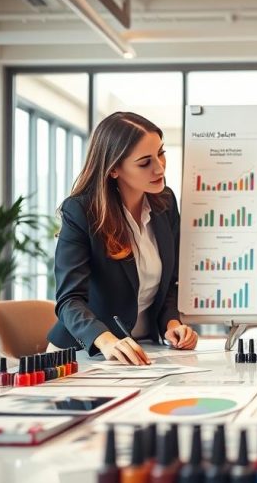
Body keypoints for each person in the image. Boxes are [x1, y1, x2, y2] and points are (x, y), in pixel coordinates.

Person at [47, 112, 198, 365]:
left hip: (143, 351)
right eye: (144, 162)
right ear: (114, 169)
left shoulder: (165, 203)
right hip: (82, 354)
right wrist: (106, 340)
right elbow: (69, 300)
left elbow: (170, 283)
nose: (159, 168)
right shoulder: (82, 212)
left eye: (161, 153)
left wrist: (172, 323)